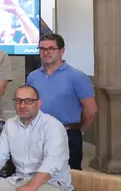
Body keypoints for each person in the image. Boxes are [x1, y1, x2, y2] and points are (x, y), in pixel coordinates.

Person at [26, 33, 97, 170]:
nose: (46, 52)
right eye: (42, 49)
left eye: (51, 48)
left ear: (62, 51)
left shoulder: (77, 77)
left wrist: (78, 130)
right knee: (37, 174)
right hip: (37, 134)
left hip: (67, 134)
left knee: (70, 177)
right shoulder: (32, 77)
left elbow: (91, 110)